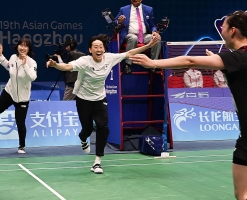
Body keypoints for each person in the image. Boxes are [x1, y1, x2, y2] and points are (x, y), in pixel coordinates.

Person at [129, 10, 247, 200]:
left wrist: (153, 62)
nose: (221, 30)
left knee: (242, 195)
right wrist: (220, 62)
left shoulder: (235, 59)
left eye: (223, 27)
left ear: (233, 31)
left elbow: (189, 60)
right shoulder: (235, 59)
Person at [47, 34, 159, 174]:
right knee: (87, 130)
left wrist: (148, 46)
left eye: (101, 47)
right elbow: (68, 66)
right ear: (90, 50)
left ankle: (97, 161)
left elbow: (129, 53)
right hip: (83, 98)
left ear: (104, 49)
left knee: (103, 127)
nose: (99, 49)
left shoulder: (109, 58)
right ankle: (83, 138)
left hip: (100, 98)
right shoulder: (84, 61)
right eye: (95, 47)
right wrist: (55, 64)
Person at [0, 38, 37, 154]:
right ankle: (11, 103)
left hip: (23, 98)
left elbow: (32, 77)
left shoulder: (31, 62)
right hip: (10, 92)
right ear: (17, 46)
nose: (22, 48)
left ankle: (21, 146)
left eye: (25, 46)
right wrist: (1, 55)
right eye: (20, 45)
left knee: (20, 123)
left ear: (28, 49)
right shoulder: (13, 57)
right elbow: (9, 67)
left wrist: (24, 65)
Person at [115, 0, 161, 73]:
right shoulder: (123, 9)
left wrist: (154, 31)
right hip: (129, 34)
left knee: (156, 39)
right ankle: (127, 65)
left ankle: (153, 64)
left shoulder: (149, 9)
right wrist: (119, 21)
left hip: (144, 35)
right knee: (133, 38)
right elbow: (115, 21)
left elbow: (152, 25)